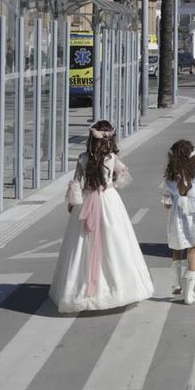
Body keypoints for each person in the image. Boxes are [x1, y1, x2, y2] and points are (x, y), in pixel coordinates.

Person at [49, 120, 154, 313]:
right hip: (108, 201)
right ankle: (117, 288)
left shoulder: (82, 158)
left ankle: (81, 288)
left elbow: (76, 184)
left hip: (87, 201)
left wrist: (73, 204)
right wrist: (112, 182)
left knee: (83, 245)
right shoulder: (112, 158)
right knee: (115, 242)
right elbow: (123, 175)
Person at [161, 139, 195, 305]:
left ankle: (176, 284)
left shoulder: (169, 179)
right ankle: (189, 293)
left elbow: (167, 203)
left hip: (178, 218)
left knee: (178, 248)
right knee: (193, 249)